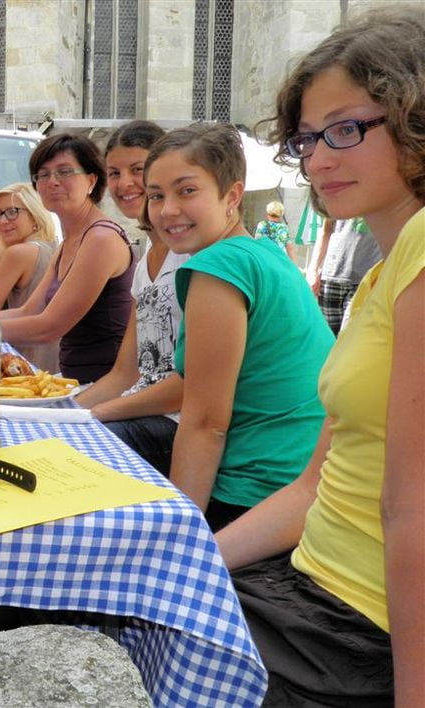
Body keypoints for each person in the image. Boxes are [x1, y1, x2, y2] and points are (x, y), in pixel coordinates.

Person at [216, 7, 424, 704]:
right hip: (305, 588)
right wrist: (189, 561)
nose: (318, 159)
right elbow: (313, 488)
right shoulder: (379, 275)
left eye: (345, 129)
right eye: (308, 138)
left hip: (359, 629)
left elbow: (412, 509)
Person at [143, 122, 334, 531]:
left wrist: (179, 538)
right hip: (311, 481)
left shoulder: (219, 266)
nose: (167, 210)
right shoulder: (265, 252)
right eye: (156, 195)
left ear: (232, 195)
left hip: (255, 494)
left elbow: (206, 425)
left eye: (186, 191)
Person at [76, 120, 188, 476]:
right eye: (114, 173)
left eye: (137, 170)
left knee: (73, 448)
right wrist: (65, 411)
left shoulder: (193, 256)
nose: (124, 183)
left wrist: (89, 416)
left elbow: (190, 387)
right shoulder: (146, 260)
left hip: (176, 422)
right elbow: (126, 372)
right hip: (139, 406)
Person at [0, 133, 135, 384]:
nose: (52, 182)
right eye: (43, 174)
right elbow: (29, 310)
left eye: (65, 172)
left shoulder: (101, 238)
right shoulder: (68, 242)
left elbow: (48, 328)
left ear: (91, 180)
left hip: (103, 386)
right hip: (72, 380)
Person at [0, 183, 59, 372]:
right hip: (56, 361)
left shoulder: (19, 253)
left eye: (12, 212)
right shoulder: (53, 247)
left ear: (35, 214)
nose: (3, 221)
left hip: (24, 364)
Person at [310, 217, 382, 334]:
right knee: (326, 337)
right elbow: (326, 231)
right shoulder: (337, 206)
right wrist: (313, 270)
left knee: (348, 336)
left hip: (364, 280)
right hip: (331, 276)